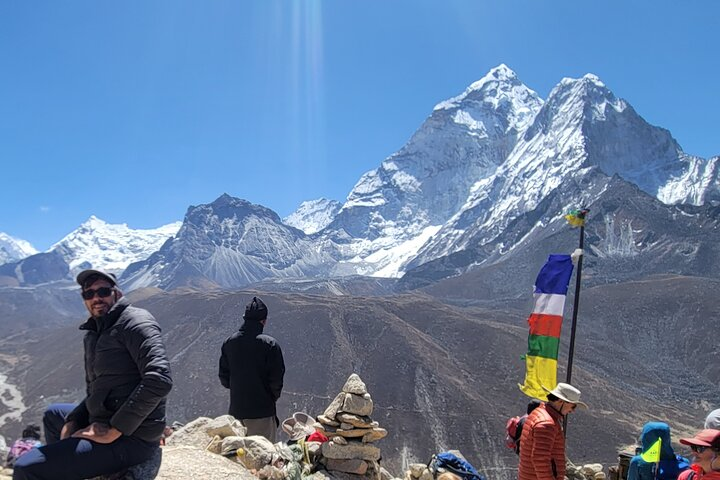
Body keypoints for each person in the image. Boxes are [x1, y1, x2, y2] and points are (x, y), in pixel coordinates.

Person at [13, 269, 173, 480]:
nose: (96, 298)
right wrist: (75, 420)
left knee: (25, 466)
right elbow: (98, 388)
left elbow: (160, 379)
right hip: (106, 415)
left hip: (133, 437)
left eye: (103, 291)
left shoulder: (136, 323)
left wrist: (114, 430)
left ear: (116, 293)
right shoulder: (96, 331)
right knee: (54, 415)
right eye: (89, 294)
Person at [219, 296, 285, 442]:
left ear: (245, 318)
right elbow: (276, 380)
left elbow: (224, 378)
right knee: (265, 457)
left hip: (236, 412)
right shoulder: (270, 345)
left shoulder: (229, 343)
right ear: (264, 320)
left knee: (238, 457)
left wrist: (239, 388)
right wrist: (270, 398)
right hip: (262, 412)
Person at [518, 382, 588, 480]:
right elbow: (540, 460)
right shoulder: (547, 424)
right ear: (560, 401)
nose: (572, 411)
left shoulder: (538, 413)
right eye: (573, 406)